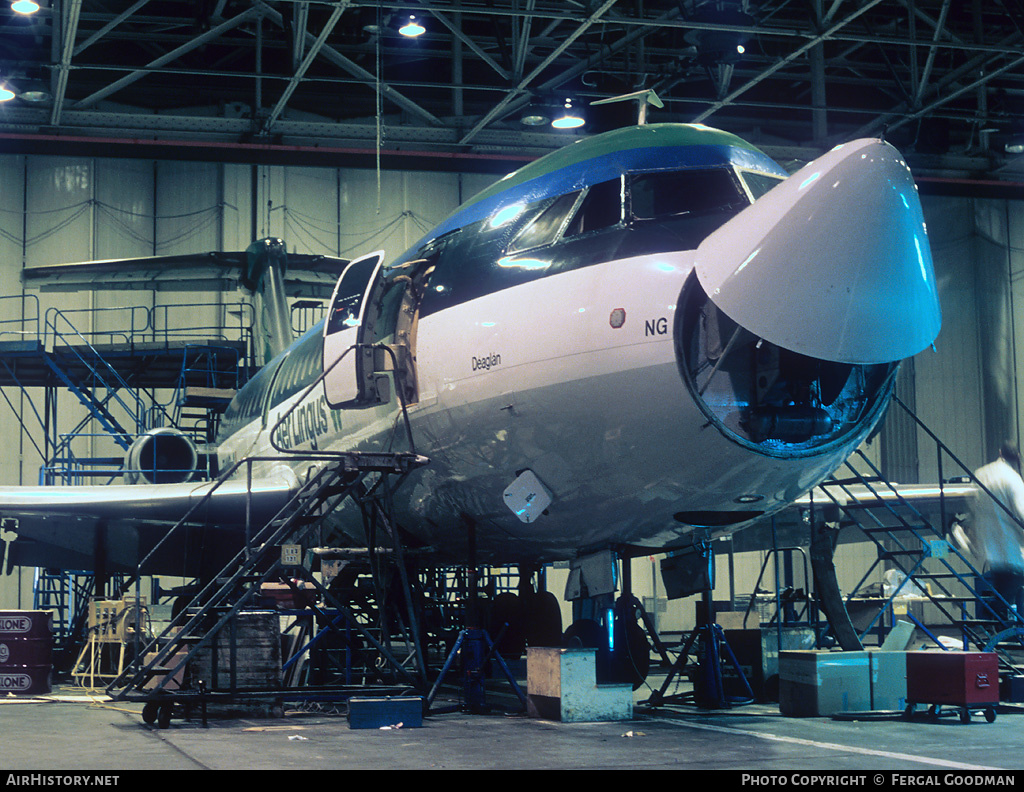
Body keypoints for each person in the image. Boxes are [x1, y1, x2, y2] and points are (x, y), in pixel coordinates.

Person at [969, 443, 1024, 622]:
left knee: (1003, 591)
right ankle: (994, 617)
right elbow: (1021, 513)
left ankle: (997, 624)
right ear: (1018, 458)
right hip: (1012, 548)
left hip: (991, 547)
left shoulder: (980, 474)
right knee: (1008, 591)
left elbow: (971, 504)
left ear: (1000, 452)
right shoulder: (1012, 478)